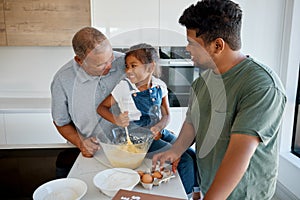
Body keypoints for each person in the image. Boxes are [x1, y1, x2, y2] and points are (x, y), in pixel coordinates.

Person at [152, 0, 287, 199]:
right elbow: (192, 124)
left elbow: (239, 154)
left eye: (191, 43)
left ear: (217, 45)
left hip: (243, 195)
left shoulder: (261, 85)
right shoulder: (202, 82)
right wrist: (176, 150)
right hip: (211, 187)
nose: (187, 48)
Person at [97, 43, 198, 196]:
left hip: (158, 132)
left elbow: (166, 115)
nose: (128, 70)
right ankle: (186, 196)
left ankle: (194, 192)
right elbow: (101, 108)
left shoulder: (160, 86)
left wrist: (159, 127)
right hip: (138, 138)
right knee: (184, 159)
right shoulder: (124, 87)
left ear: (150, 67)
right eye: (127, 66)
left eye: (133, 65)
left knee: (190, 152)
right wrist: (117, 120)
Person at [51, 27, 125, 161]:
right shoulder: (62, 80)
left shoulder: (125, 63)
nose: (109, 65)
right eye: (101, 64)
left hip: (128, 148)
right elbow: (61, 122)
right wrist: (81, 142)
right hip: (92, 152)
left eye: (111, 57)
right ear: (79, 61)